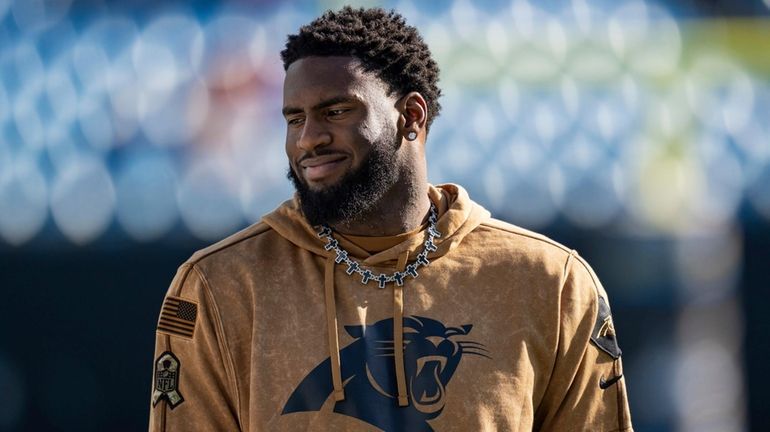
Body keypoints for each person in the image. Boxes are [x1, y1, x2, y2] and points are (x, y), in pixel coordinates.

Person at [149, 6, 632, 431]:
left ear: (412, 117)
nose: (307, 139)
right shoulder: (218, 286)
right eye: (293, 119)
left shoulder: (551, 282)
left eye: (335, 111)